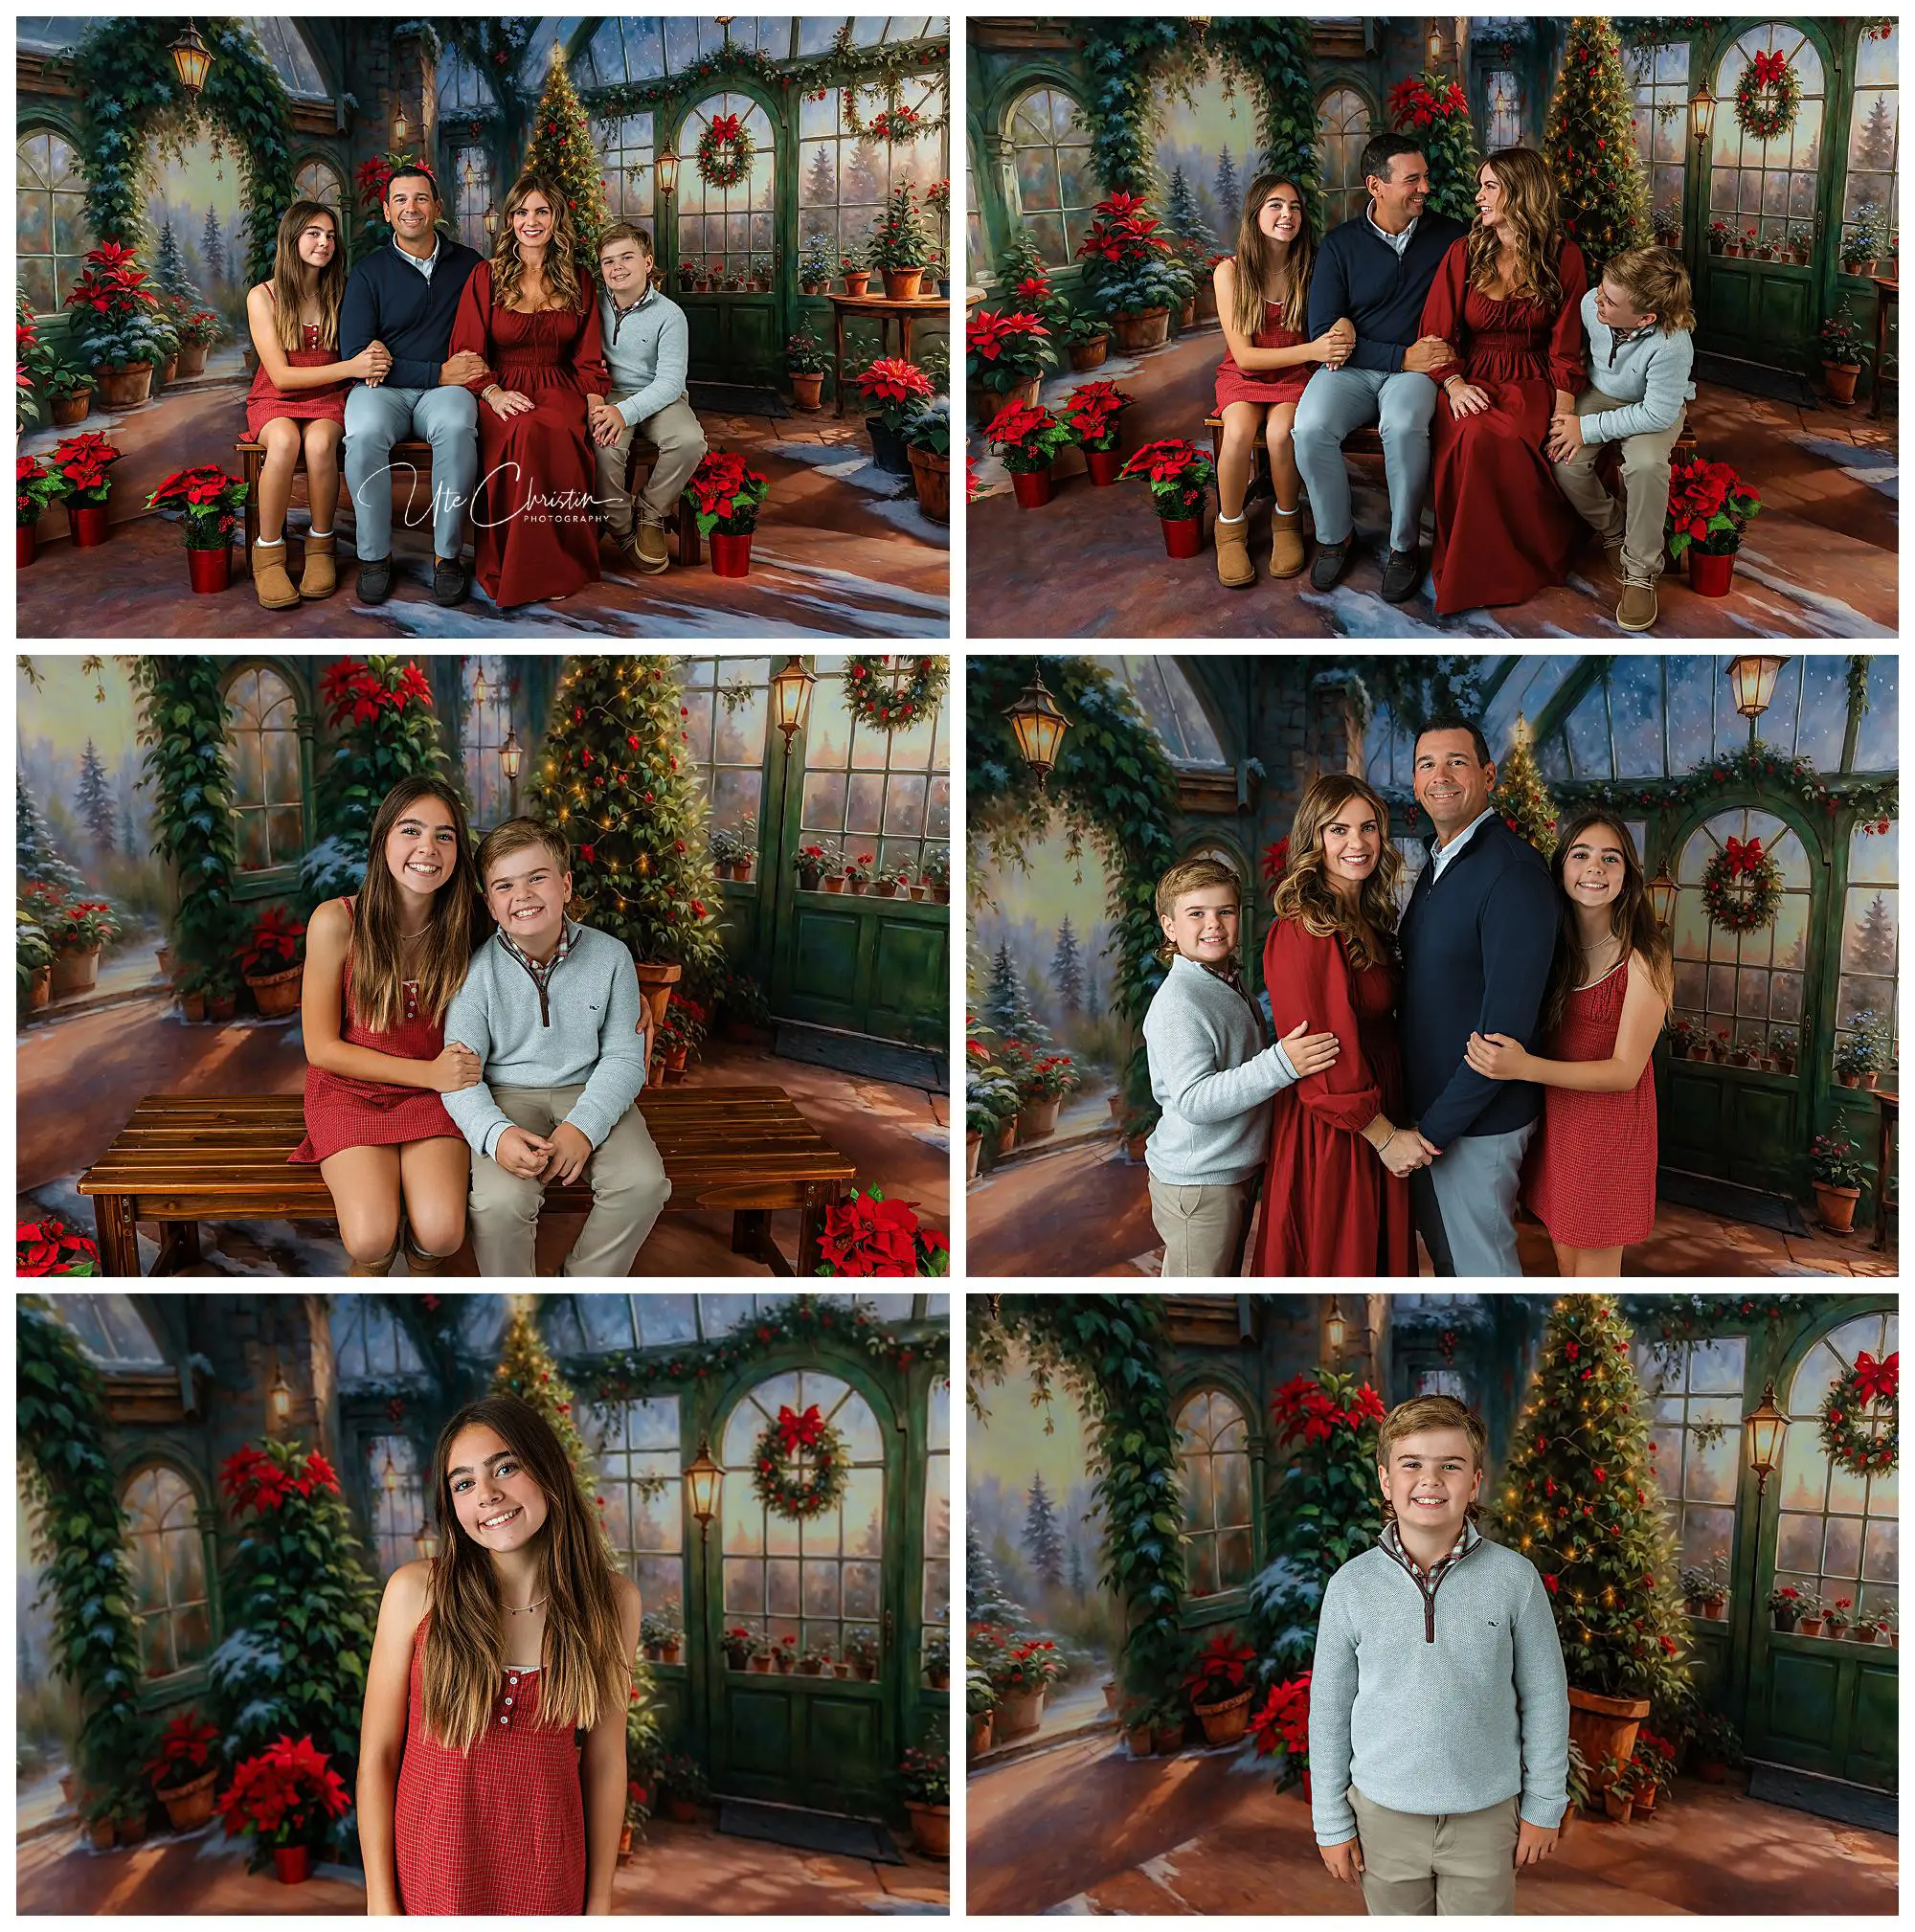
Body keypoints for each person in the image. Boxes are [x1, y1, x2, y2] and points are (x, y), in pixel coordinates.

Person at [357, 1393, 643, 1915]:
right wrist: (381, 1902)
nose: (485, 1495)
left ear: (547, 1469)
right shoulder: (414, 1593)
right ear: (453, 1505)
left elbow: (605, 1761)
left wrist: (599, 1901)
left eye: (504, 1467)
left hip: (551, 1874)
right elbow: (378, 1758)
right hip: (434, 1877)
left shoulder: (612, 1603)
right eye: (463, 1482)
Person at [1311, 1394, 1569, 1916]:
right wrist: (1330, 1820)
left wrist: (1545, 1804)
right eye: (1412, 1465)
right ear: (1386, 1481)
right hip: (1382, 1818)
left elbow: (1546, 1698)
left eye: (1450, 1466)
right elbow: (1329, 1712)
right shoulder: (1350, 1586)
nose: (1430, 1481)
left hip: (1486, 1818)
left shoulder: (1515, 1580)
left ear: (1474, 1482)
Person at [441, 819, 668, 1275]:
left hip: (590, 1089)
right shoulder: (475, 972)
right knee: (499, 1202)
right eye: (504, 885)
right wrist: (495, 1134)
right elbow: (458, 1074)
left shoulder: (611, 958)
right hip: (505, 1098)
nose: (522, 895)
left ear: (565, 884)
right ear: (489, 902)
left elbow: (625, 1059)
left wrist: (583, 1127)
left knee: (643, 1184)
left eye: (537, 878)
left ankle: (579, 1286)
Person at [290, 775, 485, 1275]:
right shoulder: (337, 922)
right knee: (370, 1238)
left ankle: (421, 1288)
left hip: (436, 1095)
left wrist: (619, 987)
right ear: (382, 842)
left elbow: (546, 934)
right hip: (351, 1089)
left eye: (445, 836)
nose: (428, 848)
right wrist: (432, 1074)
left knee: (441, 1231)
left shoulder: (472, 925)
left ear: (460, 851)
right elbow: (322, 1048)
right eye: (411, 831)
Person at [1465, 812, 1673, 1275]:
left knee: (1594, 1284)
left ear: (1628, 875)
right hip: (1559, 1129)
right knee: (1565, 1264)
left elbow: (1624, 1072)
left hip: (1611, 1136)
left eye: (1610, 858)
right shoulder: (1550, 948)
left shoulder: (1644, 956)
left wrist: (1523, 1067)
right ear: (1562, 869)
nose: (1594, 868)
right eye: (1581, 855)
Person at [1397, 721, 1557, 1275]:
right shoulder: (1439, 864)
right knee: (1451, 1268)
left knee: (1481, 1277)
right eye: (1426, 764)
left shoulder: (1512, 873)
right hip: (1436, 1118)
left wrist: (1432, 1132)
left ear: (1488, 775)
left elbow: (1504, 1031)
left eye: (1456, 762)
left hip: (1472, 1126)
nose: (1439, 776)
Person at [1256, 775, 1428, 1276]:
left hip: (1380, 1104)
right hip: (1339, 1126)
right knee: (1341, 1261)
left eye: (1368, 827)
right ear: (1315, 838)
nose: (1357, 843)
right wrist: (1382, 1135)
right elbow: (1322, 1054)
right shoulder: (1304, 927)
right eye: (1338, 830)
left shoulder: (1368, 918)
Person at [1142, 857, 1340, 1275]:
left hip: (1227, 1171)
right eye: (1196, 913)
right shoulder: (1180, 1002)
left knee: (1223, 1279)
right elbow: (1196, 1100)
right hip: (1198, 1182)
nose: (1213, 924)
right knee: (1197, 1293)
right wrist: (1283, 1063)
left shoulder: (1223, 979)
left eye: (1224, 911)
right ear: (1170, 927)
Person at [1294, 133, 1467, 603]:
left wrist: (1416, 361)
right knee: (1309, 428)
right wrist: (1396, 354)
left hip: (1417, 372)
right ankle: (1335, 536)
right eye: (1412, 179)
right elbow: (1325, 333)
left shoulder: (1452, 238)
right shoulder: (1339, 246)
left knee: (1405, 425)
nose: (1425, 188)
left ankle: (1403, 546)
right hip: (1354, 369)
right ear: (1376, 185)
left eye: (1425, 177)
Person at [1420, 148, 1588, 617]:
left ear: (1521, 192)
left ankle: (1522, 561)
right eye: (1481, 186)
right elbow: (1436, 332)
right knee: (1471, 433)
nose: (1478, 196)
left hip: (1534, 376)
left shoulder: (1563, 256)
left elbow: (1566, 343)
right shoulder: (1464, 252)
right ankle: (1469, 570)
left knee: (1512, 436)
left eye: (1489, 186)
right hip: (1471, 375)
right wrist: (1452, 384)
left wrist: (1564, 407)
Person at [451, 172, 610, 609]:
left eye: (541, 211)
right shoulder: (487, 276)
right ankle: (518, 566)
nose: (531, 221)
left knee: (557, 428)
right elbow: (467, 350)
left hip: (560, 384)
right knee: (523, 430)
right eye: (522, 212)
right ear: (510, 221)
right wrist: (492, 393)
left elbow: (588, 353)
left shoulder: (580, 279)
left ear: (556, 217)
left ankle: (564, 563)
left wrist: (594, 400)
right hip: (501, 388)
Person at [339, 165, 486, 607]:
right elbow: (361, 357)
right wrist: (437, 372)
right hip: (383, 391)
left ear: (437, 208)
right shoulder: (368, 274)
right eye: (400, 200)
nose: (411, 208)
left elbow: (485, 335)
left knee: (459, 427)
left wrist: (443, 377)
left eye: (421, 198)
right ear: (387, 211)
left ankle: (446, 557)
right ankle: (375, 557)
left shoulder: (470, 266)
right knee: (362, 434)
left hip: (445, 395)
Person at [1210, 173, 1354, 589]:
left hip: (1293, 374)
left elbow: (1339, 313)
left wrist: (1341, 328)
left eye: (1293, 207)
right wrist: (1314, 350)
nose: (1286, 215)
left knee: (1280, 434)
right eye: (1275, 205)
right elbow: (1246, 358)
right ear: (1255, 214)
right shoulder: (1231, 272)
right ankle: (1230, 528)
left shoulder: (1312, 265)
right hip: (1244, 373)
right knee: (1237, 432)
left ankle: (1287, 521)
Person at [243, 201, 387, 609]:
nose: (324, 243)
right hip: (276, 394)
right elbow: (283, 376)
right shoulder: (263, 296)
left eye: (329, 235)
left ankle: (321, 547)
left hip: (329, 396)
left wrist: (372, 352)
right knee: (285, 443)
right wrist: (351, 365)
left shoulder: (342, 290)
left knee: (322, 444)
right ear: (292, 238)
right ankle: (268, 553)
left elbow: (366, 339)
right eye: (313, 233)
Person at [1547, 245, 1698, 634]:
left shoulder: (1673, 344)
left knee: (1647, 466)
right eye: (1601, 288)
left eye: (1610, 300)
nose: (1597, 299)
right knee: (1565, 461)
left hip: (1652, 405)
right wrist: (1576, 419)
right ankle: (1613, 527)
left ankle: (1641, 572)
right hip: (1600, 393)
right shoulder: (1590, 306)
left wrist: (1587, 428)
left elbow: (1657, 414)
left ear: (1646, 317)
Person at [590, 223, 708, 575]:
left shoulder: (670, 315)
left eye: (627, 257)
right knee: (605, 449)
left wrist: (624, 413)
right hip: (609, 393)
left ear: (647, 261)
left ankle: (651, 510)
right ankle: (622, 525)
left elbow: (671, 382)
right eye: (608, 261)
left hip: (658, 396)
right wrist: (608, 408)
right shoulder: (592, 306)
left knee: (690, 442)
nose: (617, 267)